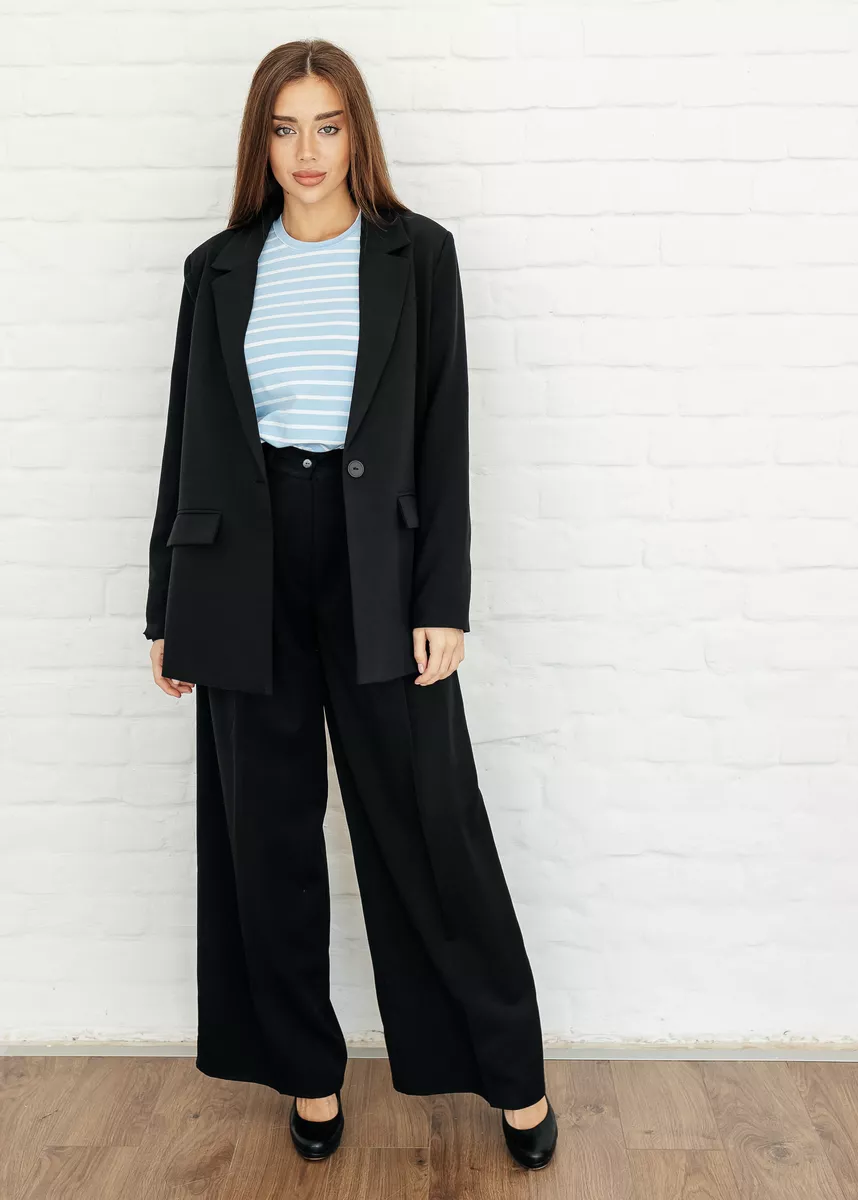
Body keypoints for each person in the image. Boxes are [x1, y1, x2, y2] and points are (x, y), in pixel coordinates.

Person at [143, 38, 557, 1171]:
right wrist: (166, 606)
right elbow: (188, 440)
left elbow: (444, 432)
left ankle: (512, 1075)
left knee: (430, 826)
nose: (307, 151)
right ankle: (308, 1074)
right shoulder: (219, 268)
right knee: (265, 838)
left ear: (357, 134)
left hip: (381, 565)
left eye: (327, 126)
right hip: (242, 570)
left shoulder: (417, 255)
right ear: (260, 143)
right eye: (285, 129)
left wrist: (443, 595)